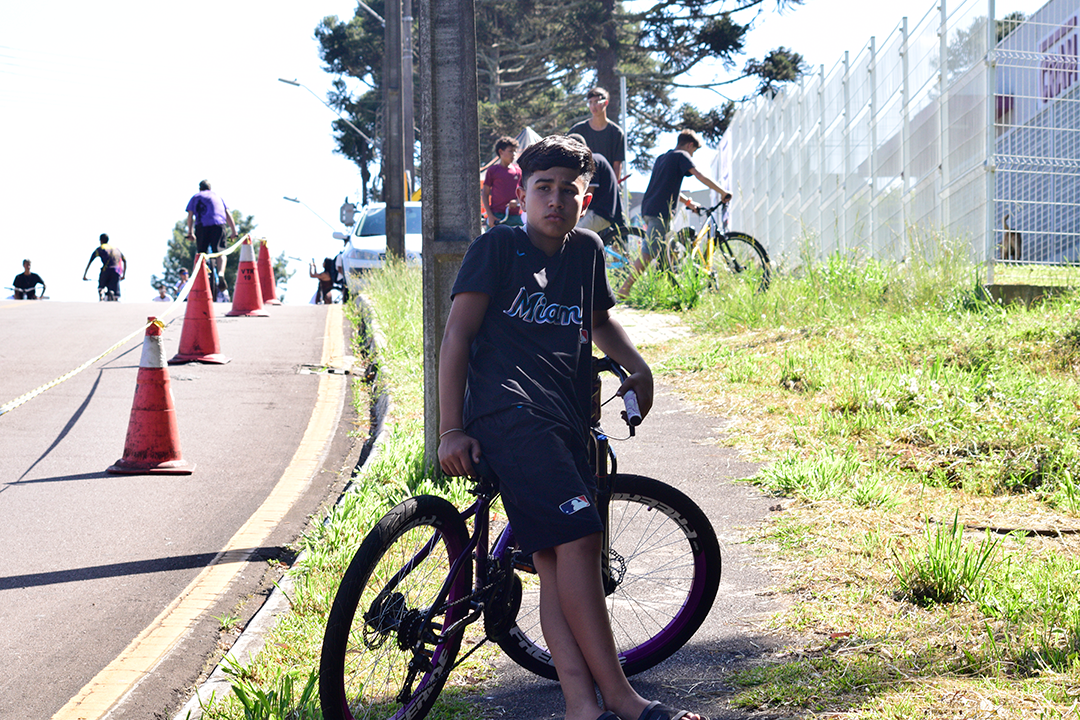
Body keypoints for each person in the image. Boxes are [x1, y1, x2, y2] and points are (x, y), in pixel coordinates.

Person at [438, 135, 699, 720]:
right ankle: (624, 699)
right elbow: (457, 336)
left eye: (569, 191)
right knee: (581, 540)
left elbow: (599, 321)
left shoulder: (586, 251)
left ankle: (582, 706)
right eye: (543, 188)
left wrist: (638, 366)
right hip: (509, 414)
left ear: (587, 199)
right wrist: (451, 429)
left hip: (566, 419)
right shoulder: (497, 248)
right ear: (521, 195)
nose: (555, 200)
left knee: (558, 563)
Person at [617, 129, 731, 299]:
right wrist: (722, 192)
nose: (692, 155)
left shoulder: (662, 158)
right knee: (649, 253)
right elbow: (699, 175)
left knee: (669, 253)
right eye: (693, 151)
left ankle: (672, 292)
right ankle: (624, 289)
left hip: (649, 208)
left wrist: (689, 203)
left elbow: (667, 186)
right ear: (690, 145)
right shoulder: (682, 155)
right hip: (660, 211)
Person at [185, 180, 238, 291]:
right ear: (210, 188)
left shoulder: (196, 197)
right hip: (218, 225)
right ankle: (221, 273)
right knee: (220, 251)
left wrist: (190, 232)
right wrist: (234, 231)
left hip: (202, 225)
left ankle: (199, 278)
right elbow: (227, 213)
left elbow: (190, 215)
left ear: (200, 188)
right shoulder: (218, 196)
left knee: (201, 254)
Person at [568, 133, 622, 235]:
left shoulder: (592, 162)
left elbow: (588, 192)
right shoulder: (596, 159)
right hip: (604, 212)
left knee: (571, 235)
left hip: (601, 213)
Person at [569, 87, 626, 181]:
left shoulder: (617, 133)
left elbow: (617, 164)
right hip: (583, 182)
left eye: (596, 102)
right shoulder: (577, 130)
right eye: (590, 102)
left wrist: (614, 185)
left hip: (606, 182)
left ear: (606, 103)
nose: (593, 106)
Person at [481, 136, 523, 229]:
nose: (514, 154)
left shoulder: (518, 171)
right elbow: (485, 194)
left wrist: (516, 201)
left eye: (515, 151)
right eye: (510, 151)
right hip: (497, 216)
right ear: (501, 152)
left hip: (515, 216)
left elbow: (524, 192)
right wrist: (490, 215)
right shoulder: (492, 170)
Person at [82, 233, 126, 300]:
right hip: (116, 272)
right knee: (115, 291)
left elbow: (90, 261)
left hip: (106, 270)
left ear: (101, 241)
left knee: (101, 286)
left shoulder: (100, 248)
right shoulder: (116, 249)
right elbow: (125, 260)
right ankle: (115, 298)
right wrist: (123, 275)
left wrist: (85, 275)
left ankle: (101, 293)